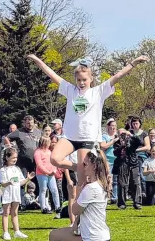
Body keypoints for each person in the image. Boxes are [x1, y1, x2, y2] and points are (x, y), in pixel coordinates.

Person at [27, 54, 148, 187]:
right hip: (70, 137)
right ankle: (78, 167)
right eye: (78, 80)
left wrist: (134, 62)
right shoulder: (70, 90)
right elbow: (52, 74)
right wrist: (38, 61)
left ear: (91, 79)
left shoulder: (98, 91)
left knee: (82, 182)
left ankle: (84, 197)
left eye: (84, 80)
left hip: (87, 138)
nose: (81, 83)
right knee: (55, 159)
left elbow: (118, 75)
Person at [46, 152, 149, 241]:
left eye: (85, 164)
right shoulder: (95, 185)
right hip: (87, 234)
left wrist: (76, 192)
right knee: (54, 236)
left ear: (94, 166)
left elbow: (75, 209)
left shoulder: (92, 188)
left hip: (95, 238)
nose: (82, 167)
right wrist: (76, 224)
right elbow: (82, 212)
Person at [0, 150, 27, 241]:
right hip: (7, 193)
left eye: (16, 157)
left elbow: (21, 182)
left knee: (15, 212)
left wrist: (28, 179)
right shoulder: (3, 170)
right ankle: (5, 232)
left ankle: (17, 231)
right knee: (6, 212)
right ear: (7, 157)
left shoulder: (17, 169)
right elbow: (2, 183)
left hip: (16, 193)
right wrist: (9, 183)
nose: (15, 159)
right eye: (13, 157)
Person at [33, 135, 61, 215]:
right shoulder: (38, 152)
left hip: (51, 174)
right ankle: (43, 207)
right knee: (43, 190)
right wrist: (47, 172)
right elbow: (39, 164)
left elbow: (52, 161)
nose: (50, 143)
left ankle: (57, 207)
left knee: (54, 190)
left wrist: (53, 170)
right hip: (42, 174)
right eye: (49, 142)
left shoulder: (49, 152)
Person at [99, 119, 120, 204]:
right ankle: (106, 196)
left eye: (115, 126)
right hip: (107, 160)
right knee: (107, 178)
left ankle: (115, 197)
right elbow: (103, 146)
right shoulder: (104, 136)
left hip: (117, 160)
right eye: (112, 126)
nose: (113, 128)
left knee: (116, 180)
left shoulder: (118, 135)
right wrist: (113, 141)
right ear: (108, 127)